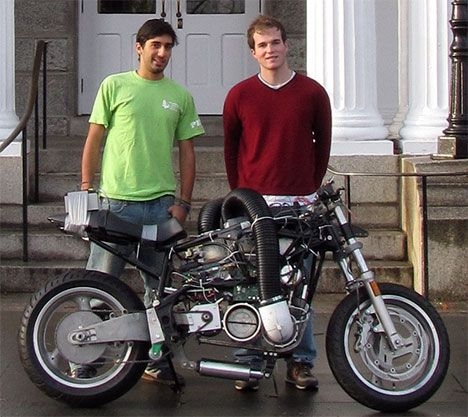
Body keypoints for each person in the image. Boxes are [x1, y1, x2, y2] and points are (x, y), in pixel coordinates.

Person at [77, 18, 205, 385]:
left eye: (168, 47)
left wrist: (183, 203)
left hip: (160, 206)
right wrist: (88, 190)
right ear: (139, 47)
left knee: (158, 291)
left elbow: (188, 153)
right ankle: (86, 356)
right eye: (156, 46)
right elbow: (94, 140)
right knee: (100, 284)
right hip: (117, 203)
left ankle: (155, 359)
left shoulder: (180, 96)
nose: (162, 53)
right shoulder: (114, 86)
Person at [223, 15, 332, 391]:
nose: (270, 50)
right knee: (251, 285)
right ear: (253, 52)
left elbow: (323, 143)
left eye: (275, 42)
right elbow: (231, 149)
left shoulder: (312, 93)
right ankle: (249, 361)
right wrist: (242, 193)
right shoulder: (239, 95)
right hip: (255, 206)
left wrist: (309, 186)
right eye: (262, 45)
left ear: (287, 45)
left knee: (299, 284)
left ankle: (300, 362)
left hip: (300, 203)